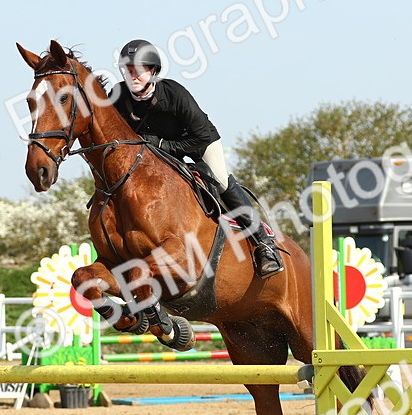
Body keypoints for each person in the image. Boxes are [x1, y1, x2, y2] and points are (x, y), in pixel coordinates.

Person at [110, 38, 283, 279]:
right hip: (158, 155)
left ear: (152, 71)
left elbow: (200, 136)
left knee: (221, 181)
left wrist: (163, 145)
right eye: (127, 70)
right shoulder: (117, 96)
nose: (132, 76)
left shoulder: (174, 93)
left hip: (199, 143)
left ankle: (265, 246)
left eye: (138, 71)